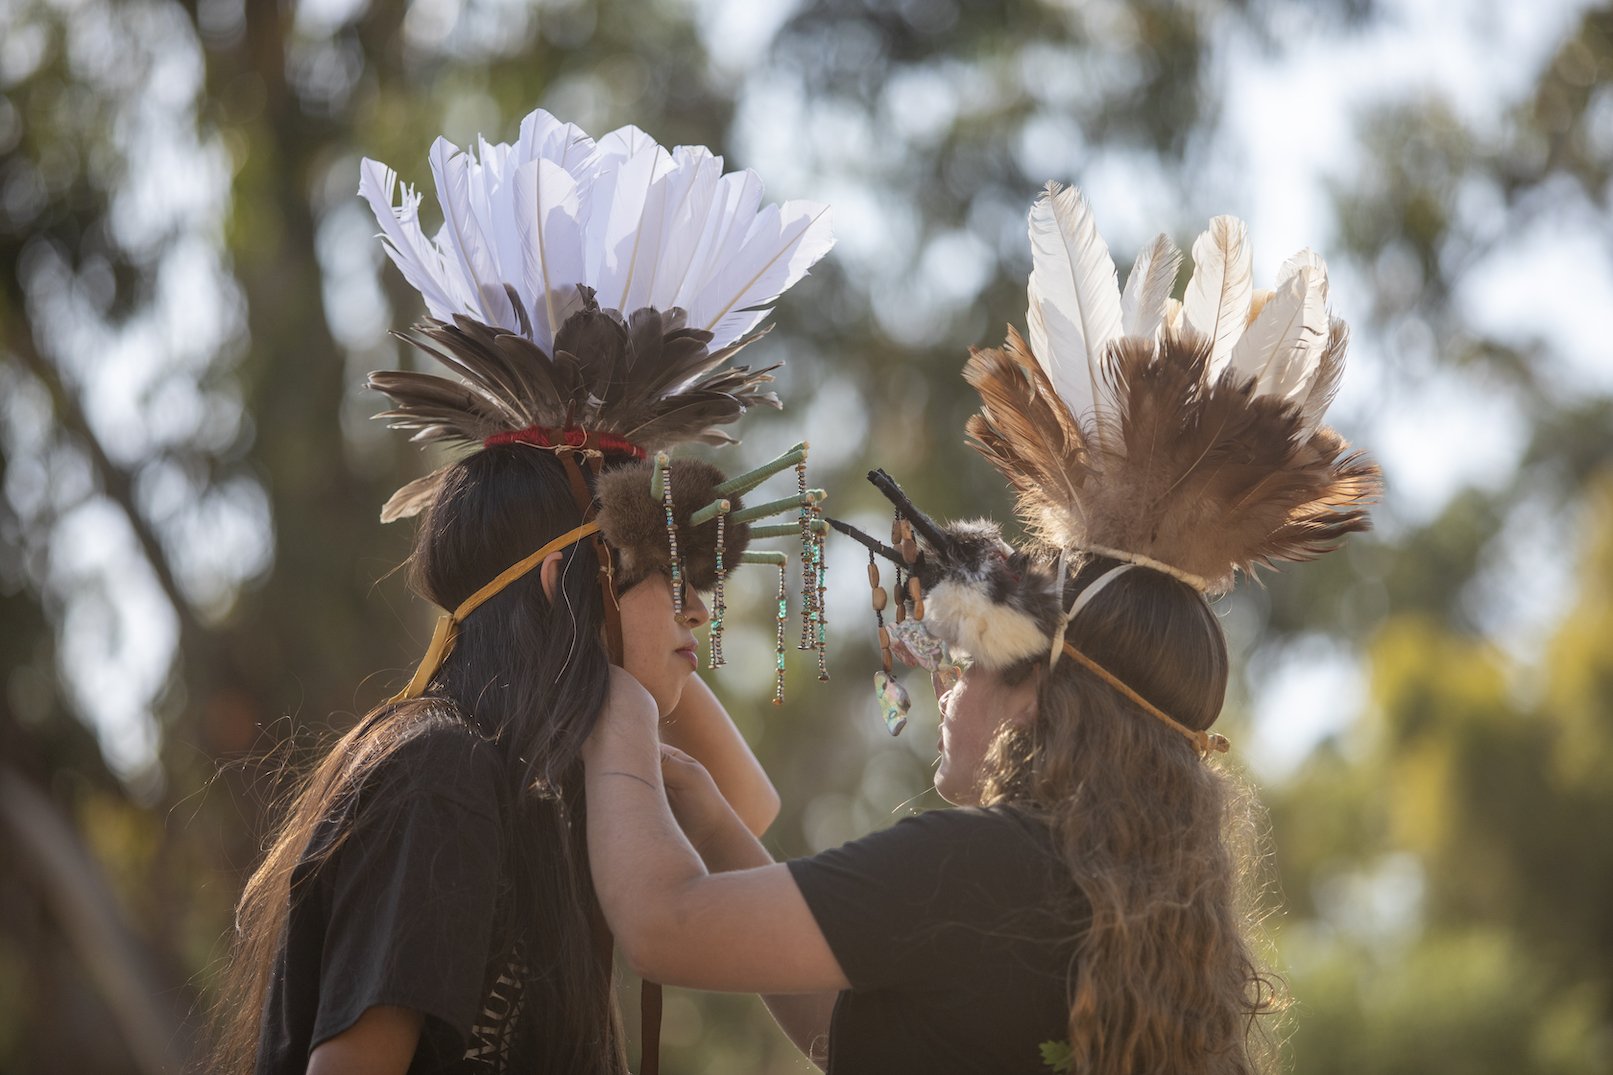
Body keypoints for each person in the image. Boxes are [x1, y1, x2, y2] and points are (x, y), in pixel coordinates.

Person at [581, 183, 1381, 1074]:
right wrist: (712, 818)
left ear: (1036, 688)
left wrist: (610, 687)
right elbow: (851, 1036)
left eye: (962, 663)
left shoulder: (976, 868)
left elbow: (661, 927)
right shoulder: (1139, 918)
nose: (944, 688)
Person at [209, 107, 833, 1075]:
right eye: (669, 581)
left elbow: (739, 811)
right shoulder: (442, 774)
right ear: (560, 580)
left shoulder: (536, 777)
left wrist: (618, 651)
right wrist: (611, 639)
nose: (701, 612)